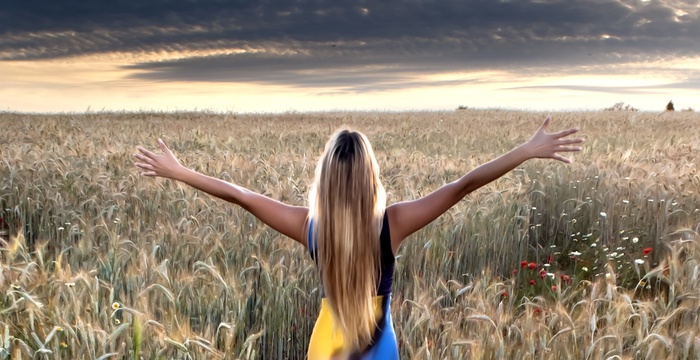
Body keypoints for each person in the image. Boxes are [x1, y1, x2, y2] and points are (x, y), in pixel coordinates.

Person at [134, 116, 583, 359]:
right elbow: (463, 185)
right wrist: (525, 150)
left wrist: (179, 171)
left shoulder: (310, 227)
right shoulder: (394, 224)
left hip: (325, 346)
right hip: (379, 345)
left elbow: (241, 196)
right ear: (371, 177)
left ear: (325, 181)